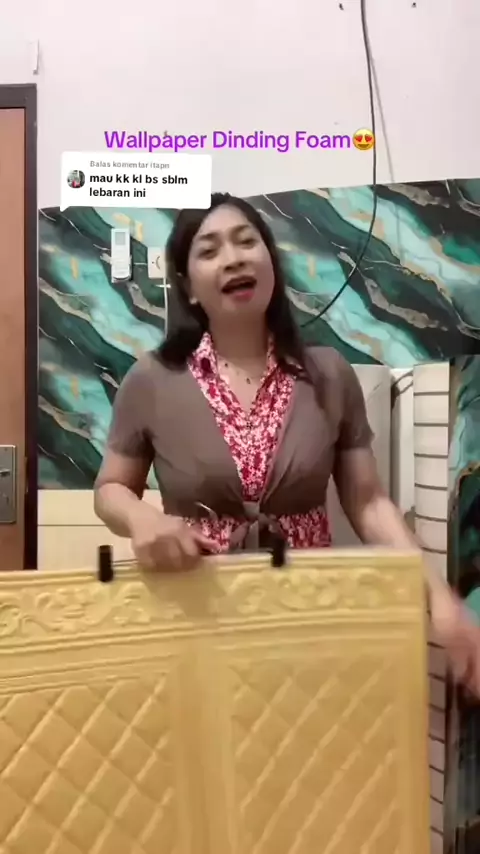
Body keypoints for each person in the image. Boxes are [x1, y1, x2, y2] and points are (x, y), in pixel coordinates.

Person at [95, 191, 480, 695]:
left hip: (304, 620)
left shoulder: (329, 374)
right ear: (188, 287)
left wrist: (438, 597)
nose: (233, 257)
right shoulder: (152, 379)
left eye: (246, 241)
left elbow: (367, 502)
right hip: (193, 619)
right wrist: (142, 518)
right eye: (209, 250)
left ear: (270, 263)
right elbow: (110, 490)